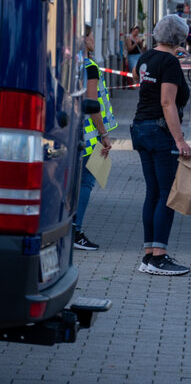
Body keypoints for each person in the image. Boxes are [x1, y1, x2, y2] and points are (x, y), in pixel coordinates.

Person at [130, 14, 191, 276]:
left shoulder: (145, 58)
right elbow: (168, 103)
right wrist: (179, 139)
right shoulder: (169, 63)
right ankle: (159, 256)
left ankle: (148, 254)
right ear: (179, 38)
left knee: (152, 192)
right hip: (159, 131)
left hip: (140, 127)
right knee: (166, 194)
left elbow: (139, 83)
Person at [74, 25, 117, 251]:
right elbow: (93, 104)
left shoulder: (70, 63)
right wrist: (104, 134)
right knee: (86, 182)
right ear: (83, 38)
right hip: (89, 135)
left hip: (71, 130)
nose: (93, 41)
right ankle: (75, 230)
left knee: (73, 182)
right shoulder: (89, 66)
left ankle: (69, 228)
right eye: (91, 36)